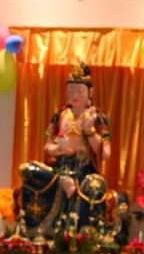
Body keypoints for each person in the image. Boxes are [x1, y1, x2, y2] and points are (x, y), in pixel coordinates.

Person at [43, 63, 111, 205]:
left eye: (79, 91)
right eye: (70, 90)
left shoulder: (98, 117)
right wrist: (58, 149)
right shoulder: (60, 115)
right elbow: (48, 146)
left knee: (93, 190)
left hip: (85, 170)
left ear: (90, 93)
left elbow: (105, 154)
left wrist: (90, 132)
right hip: (61, 167)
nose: (74, 95)